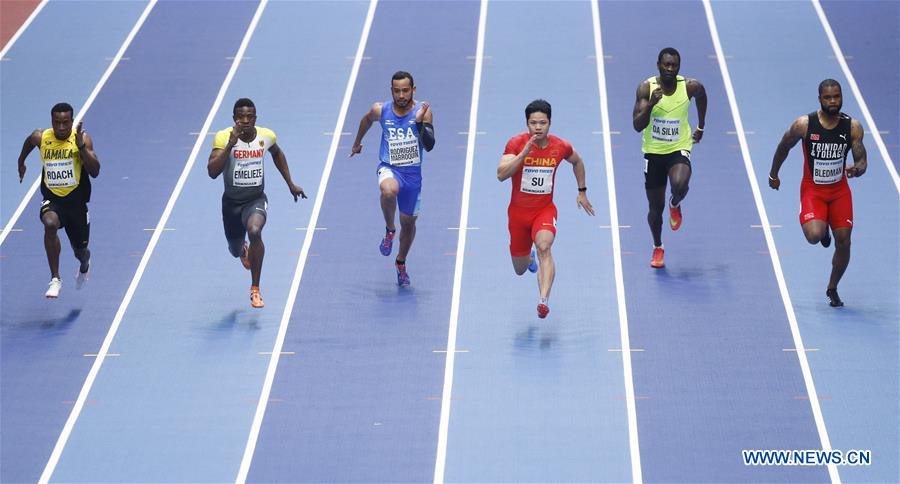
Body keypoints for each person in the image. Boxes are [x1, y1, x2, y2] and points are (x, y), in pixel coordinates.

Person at [769, 79, 867, 307]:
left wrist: (858, 168)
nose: (833, 102)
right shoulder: (804, 125)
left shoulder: (852, 127)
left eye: (837, 97)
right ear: (819, 99)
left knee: (844, 242)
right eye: (828, 97)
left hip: (840, 191)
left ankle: (832, 288)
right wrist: (774, 174)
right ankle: (823, 232)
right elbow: (784, 146)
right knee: (814, 235)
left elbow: (862, 160)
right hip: (813, 191)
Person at [498, 99, 595, 319]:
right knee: (520, 269)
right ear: (527, 124)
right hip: (517, 214)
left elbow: (577, 161)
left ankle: (543, 300)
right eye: (533, 123)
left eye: (543, 122)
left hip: (544, 211)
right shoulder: (515, 143)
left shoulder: (560, 146)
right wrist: (523, 155)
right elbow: (501, 174)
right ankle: (529, 260)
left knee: (544, 247)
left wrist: (582, 191)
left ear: (550, 123)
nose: (538, 127)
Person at [208, 98, 306, 308]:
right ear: (234, 119)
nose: (245, 120)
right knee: (234, 249)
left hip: (255, 199)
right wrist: (230, 145)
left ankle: (255, 289)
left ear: (255, 118)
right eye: (240, 117)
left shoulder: (266, 136)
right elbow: (212, 172)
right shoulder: (223, 136)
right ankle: (242, 250)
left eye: (249, 116)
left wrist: (290, 183)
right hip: (231, 204)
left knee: (254, 231)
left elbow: (277, 154)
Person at [350, 70, 435, 287]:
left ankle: (400, 262)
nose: (401, 95)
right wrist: (357, 142)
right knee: (388, 191)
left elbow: (429, 145)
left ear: (413, 90)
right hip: (389, 168)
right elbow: (366, 120)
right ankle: (389, 229)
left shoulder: (423, 111)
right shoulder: (381, 109)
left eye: (405, 90)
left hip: (413, 176)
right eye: (397, 91)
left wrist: (417, 123)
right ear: (391, 91)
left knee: (408, 224)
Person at [632, 47, 707, 268]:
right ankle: (658, 247)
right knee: (655, 210)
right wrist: (652, 105)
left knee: (680, 184)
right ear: (658, 65)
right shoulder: (647, 88)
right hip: (654, 152)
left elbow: (702, 96)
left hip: (678, 147)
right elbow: (637, 125)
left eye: (674, 65)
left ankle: (675, 203)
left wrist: (701, 125)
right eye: (666, 64)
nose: (670, 69)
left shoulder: (690, 86)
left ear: (678, 67)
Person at [17, 103, 100, 298]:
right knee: (50, 223)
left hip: (77, 205)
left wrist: (80, 147)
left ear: (72, 121)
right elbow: (30, 141)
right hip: (53, 200)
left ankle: (85, 265)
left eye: (65, 123)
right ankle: (55, 279)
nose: (61, 127)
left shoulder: (82, 139)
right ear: (51, 122)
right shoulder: (42, 137)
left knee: (81, 251)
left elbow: (95, 171)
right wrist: (21, 161)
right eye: (57, 123)